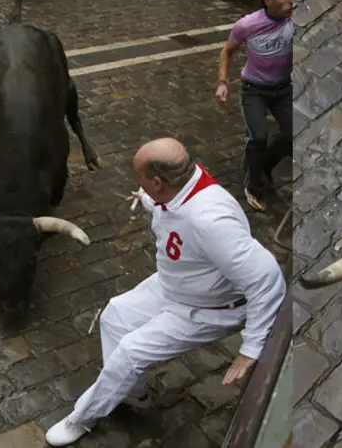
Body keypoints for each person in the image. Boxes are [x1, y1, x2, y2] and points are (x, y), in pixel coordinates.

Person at [45, 138, 287, 446]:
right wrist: (147, 200)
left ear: (158, 181)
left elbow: (267, 279)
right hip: (174, 283)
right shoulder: (181, 184)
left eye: (141, 178)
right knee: (114, 316)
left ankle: (83, 417)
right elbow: (169, 204)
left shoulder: (211, 222)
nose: (139, 182)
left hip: (208, 309)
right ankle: (134, 393)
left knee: (130, 352)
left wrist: (251, 347)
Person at [215, 0, 293, 211]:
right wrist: (222, 82)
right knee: (258, 137)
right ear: (268, 1)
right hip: (254, 89)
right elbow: (227, 51)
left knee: (293, 135)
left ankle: (262, 166)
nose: (292, 1)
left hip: (284, 88)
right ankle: (253, 185)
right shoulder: (248, 25)